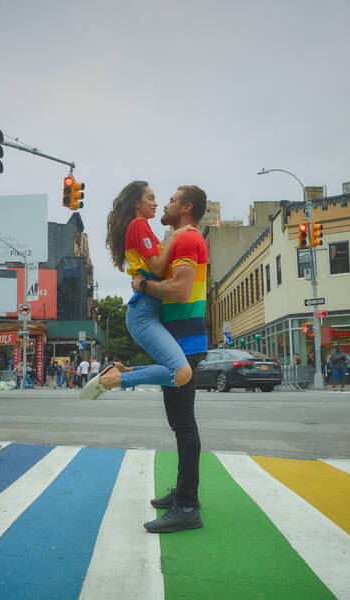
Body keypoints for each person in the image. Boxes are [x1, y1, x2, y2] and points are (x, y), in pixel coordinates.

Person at [115, 185, 209, 533]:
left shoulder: (186, 240)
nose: (164, 204)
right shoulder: (180, 237)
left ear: (185, 207)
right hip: (180, 337)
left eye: (169, 200)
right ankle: (183, 494)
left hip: (186, 341)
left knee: (184, 425)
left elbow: (180, 289)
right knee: (180, 425)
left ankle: (187, 506)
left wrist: (141, 286)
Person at [81, 180, 195, 400]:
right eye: (150, 198)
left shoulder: (142, 226)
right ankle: (112, 380)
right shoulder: (138, 225)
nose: (155, 203)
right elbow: (158, 268)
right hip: (143, 313)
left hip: (148, 309)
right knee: (182, 372)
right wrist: (175, 236)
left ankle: (123, 372)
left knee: (179, 371)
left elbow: (154, 268)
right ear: (136, 202)